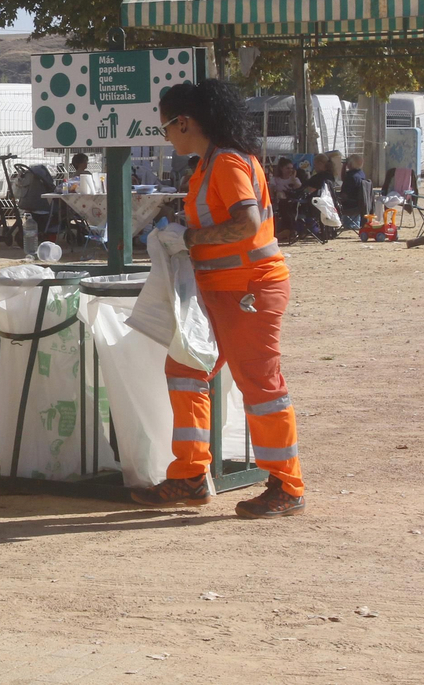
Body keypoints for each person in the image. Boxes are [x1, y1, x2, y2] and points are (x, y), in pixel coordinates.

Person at [130, 79, 305, 519]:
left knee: (260, 387)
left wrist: (188, 236)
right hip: (221, 290)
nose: (166, 136)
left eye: (165, 127)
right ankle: (190, 475)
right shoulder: (210, 165)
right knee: (185, 370)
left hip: (249, 290)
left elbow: (246, 225)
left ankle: (287, 485)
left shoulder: (226, 163)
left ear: (184, 122)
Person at [340, 154, 371, 223]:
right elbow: (344, 178)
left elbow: (344, 195)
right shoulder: (361, 174)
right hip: (361, 205)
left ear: (350, 164)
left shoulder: (351, 177)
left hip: (350, 206)